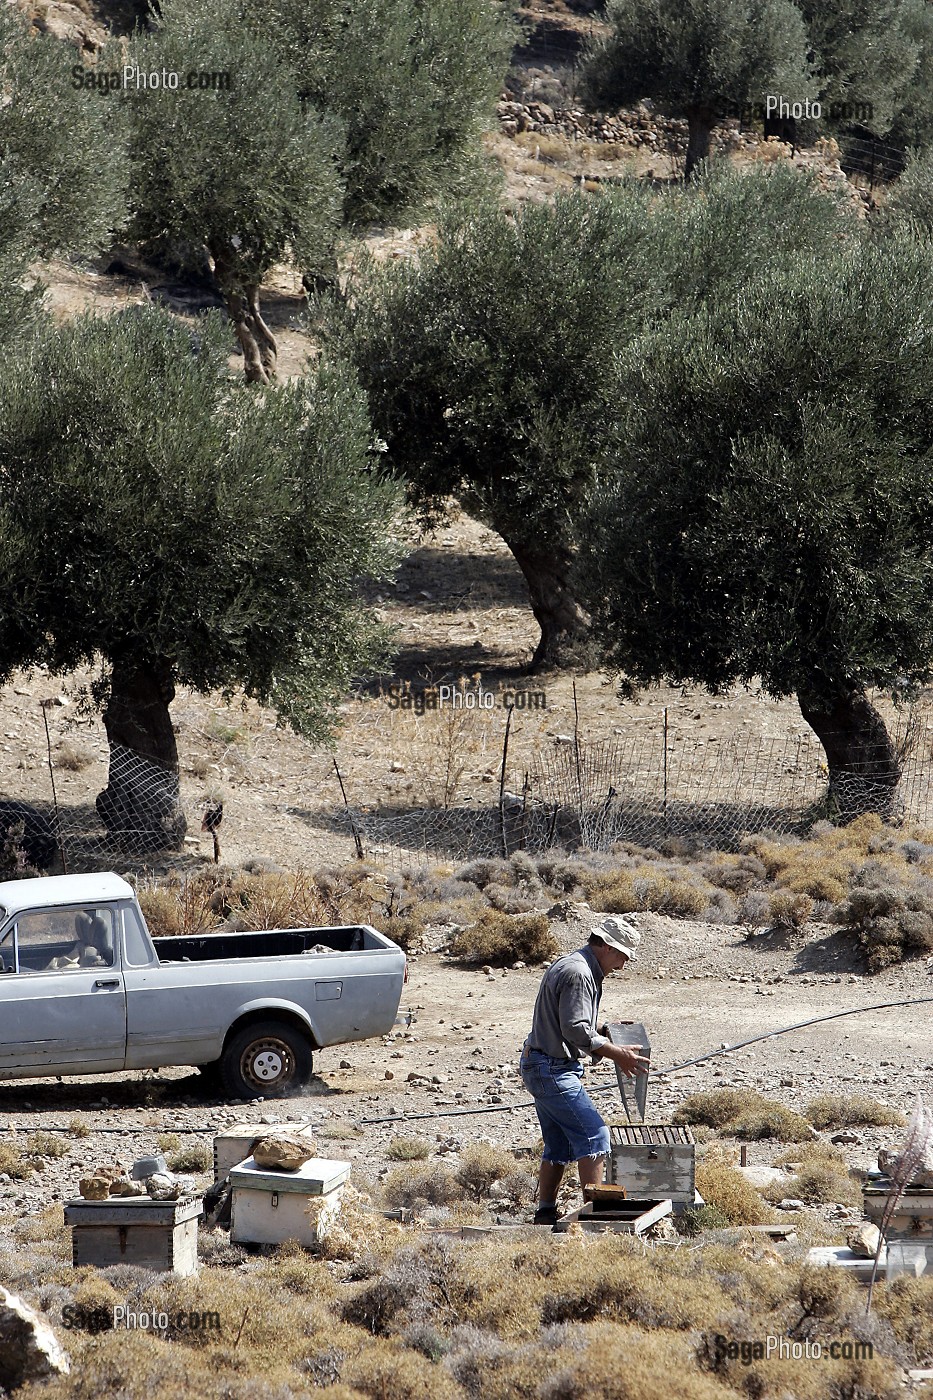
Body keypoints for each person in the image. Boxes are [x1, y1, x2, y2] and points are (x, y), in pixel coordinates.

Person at [519, 914, 649, 1227]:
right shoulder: (579, 973)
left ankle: (545, 1212)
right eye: (622, 956)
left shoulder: (576, 965)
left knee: (559, 1145)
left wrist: (607, 1029)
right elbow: (575, 1029)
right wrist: (617, 1053)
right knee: (595, 1136)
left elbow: (575, 1022)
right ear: (606, 947)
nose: (622, 965)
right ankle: (597, 1218)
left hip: (542, 1064)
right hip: (552, 1068)